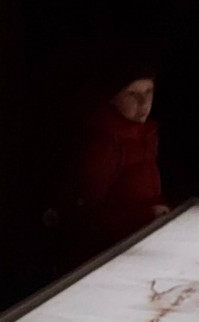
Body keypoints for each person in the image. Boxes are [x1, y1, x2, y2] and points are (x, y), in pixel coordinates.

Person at [52, 48, 170, 262]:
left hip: (139, 245)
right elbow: (88, 217)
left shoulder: (145, 136)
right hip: (109, 256)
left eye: (149, 91)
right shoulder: (104, 145)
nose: (143, 102)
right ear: (112, 98)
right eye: (132, 94)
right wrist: (146, 215)